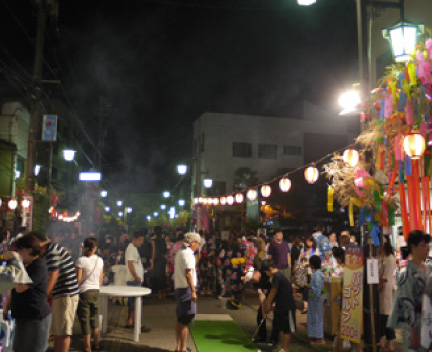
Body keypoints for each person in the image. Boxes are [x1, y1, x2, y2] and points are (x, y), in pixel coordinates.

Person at [2, 234, 51, 352]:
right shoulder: (25, 265)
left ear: (30, 250)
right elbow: (13, 287)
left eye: (19, 250)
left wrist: (16, 261)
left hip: (35, 317)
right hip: (23, 316)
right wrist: (7, 307)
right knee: (19, 348)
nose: (17, 253)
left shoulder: (38, 266)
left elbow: (20, 287)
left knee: (33, 349)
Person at [33, 231, 79, 352]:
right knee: (58, 331)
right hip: (61, 294)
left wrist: (44, 295)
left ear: (38, 242)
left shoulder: (52, 251)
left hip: (67, 294)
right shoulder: (49, 251)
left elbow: (53, 274)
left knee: (64, 332)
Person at [388, 230, 432, 351]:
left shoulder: (429, 268)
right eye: (423, 246)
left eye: (428, 246)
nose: (427, 249)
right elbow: (407, 303)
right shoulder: (406, 274)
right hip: (416, 323)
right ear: (413, 247)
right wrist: (413, 332)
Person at [76, 238, 104, 352]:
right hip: (96, 291)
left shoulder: (81, 260)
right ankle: (96, 344)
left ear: (85, 248)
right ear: (95, 248)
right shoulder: (100, 260)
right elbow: (101, 279)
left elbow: (78, 279)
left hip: (84, 292)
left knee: (84, 319)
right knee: (94, 318)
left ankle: (87, 347)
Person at [174, 232, 200, 352]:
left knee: (180, 319)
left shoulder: (180, 253)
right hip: (186, 289)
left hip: (180, 288)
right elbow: (188, 273)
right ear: (192, 243)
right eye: (198, 243)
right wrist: (193, 291)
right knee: (185, 320)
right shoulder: (188, 254)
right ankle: (183, 348)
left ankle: (179, 347)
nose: (198, 246)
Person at [262, 259, 296, 352]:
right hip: (281, 305)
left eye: (266, 271)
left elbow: (274, 290)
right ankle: (282, 347)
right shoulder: (276, 276)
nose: (266, 274)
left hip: (288, 306)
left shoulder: (278, 276)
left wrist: (268, 303)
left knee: (287, 329)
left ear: (270, 268)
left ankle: (286, 349)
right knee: (282, 327)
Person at [125, 230, 150, 331]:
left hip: (134, 279)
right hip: (133, 280)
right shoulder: (131, 248)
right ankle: (138, 324)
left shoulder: (133, 248)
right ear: (134, 239)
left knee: (131, 302)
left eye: (142, 240)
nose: (141, 242)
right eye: (139, 240)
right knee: (135, 302)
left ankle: (129, 321)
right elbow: (130, 263)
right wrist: (135, 276)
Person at [378, 236, 396, 352]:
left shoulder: (390, 259)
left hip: (385, 291)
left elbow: (385, 279)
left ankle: (389, 343)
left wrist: (374, 289)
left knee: (386, 316)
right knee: (382, 317)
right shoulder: (382, 256)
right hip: (380, 290)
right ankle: (383, 341)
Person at [299, 236, 319, 314]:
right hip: (305, 272)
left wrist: (307, 263)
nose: (309, 243)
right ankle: (305, 307)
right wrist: (304, 254)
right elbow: (300, 257)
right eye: (307, 242)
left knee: (312, 288)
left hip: (312, 272)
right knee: (305, 289)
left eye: (310, 242)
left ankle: (313, 306)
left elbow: (316, 260)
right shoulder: (304, 249)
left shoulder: (315, 250)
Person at [307, 255, 325, 344]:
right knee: (315, 317)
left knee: (316, 318)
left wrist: (308, 287)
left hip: (316, 300)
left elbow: (317, 290)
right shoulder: (318, 274)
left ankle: (318, 338)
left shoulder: (317, 275)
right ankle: (315, 336)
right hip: (315, 299)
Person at [150, 226, 167, 299]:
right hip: (163, 259)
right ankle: (163, 292)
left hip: (157, 260)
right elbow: (165, 251)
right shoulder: (163, 240)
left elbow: (154, 251)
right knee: (162, 276)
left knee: (157, 277)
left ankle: (159, 293)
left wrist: (152, 262)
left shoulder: (154, 240)